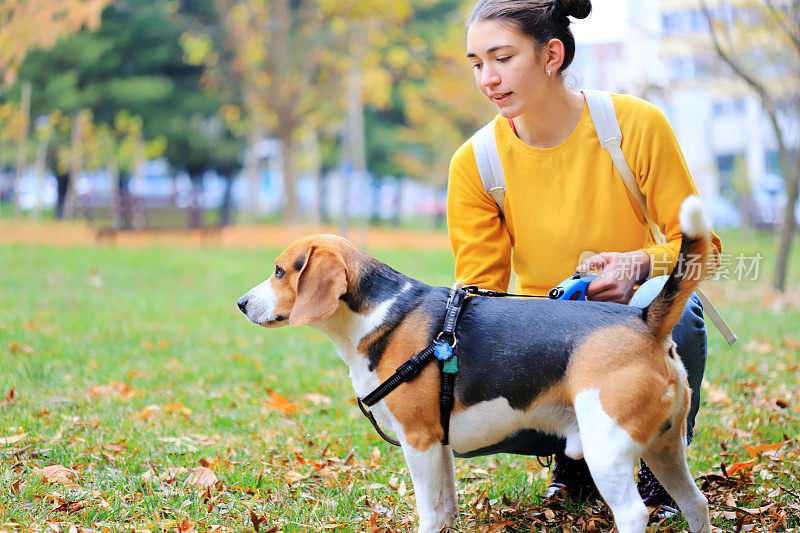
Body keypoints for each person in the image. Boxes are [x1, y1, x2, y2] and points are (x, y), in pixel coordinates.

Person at [446, 0, 723, 514]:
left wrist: (636, 264)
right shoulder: (476, 164)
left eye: (502, 58)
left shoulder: (634, 126)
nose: (487, 78)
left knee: (680, 315)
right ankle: (573, 458)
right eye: (477, 63)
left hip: (634, 331)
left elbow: (704, 254)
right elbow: (479, 299)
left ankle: (660, 454)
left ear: (551, 55)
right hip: (541, 356)